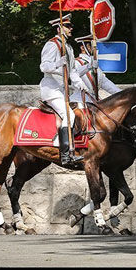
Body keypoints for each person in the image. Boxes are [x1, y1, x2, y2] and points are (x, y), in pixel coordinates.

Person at [39, 14, 88, 166]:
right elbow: (43, 66)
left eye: (70, 26)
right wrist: (57, 64)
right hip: (51, 88)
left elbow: (72, 71)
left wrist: (80, 83)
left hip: (63, 89)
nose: (71, 28)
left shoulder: (68, 48)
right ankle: (65, 154)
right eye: (68, 26)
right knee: (70, 116)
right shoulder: (52, 45)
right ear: (60, 28)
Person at [71, 34, 122, 105]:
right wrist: (89, 66)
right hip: (79, 100)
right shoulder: (76, 62)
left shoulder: (95, 65)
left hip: (93, 100)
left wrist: (122, 94)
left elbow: (105, 83)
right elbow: (74, 73)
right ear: (83, 48)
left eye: (94, 46)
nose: (94, 48)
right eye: (90, 46)